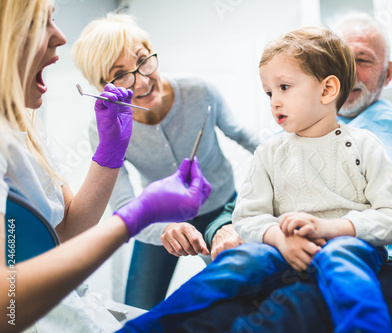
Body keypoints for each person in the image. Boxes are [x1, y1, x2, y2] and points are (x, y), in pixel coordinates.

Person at [120, 26, 392, 333]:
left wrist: (333, 229)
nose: (274, 101)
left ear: (327, 90)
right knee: (237, 263)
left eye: (284, 87)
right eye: (269, 93)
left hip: (348, 244)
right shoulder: (269, 152)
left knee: (340, 260)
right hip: (281, 248)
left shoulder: (366, 146)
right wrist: (279, 238)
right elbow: (247, 218)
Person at [201, 13, 392, 332]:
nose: (344, 71)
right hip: (293, 260)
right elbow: (237, 211)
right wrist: (222, 230)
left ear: (387, 74)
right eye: (338, 58)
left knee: (302, 305)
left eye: (361, 60)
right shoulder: (282, 139)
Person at [0, 1, 211, 332]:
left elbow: (67, 232)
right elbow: (6, 307)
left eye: (54, 19)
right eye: (39, 24)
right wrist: (137, 216)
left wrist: (110, 153)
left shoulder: (24, 127)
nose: (60, 37)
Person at [71, 13, 260, 310]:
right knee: (137, 307)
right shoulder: (104, 128)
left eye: (144, 60)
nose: (143, 81)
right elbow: (123, 205)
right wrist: (162, 230)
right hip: (159, 219)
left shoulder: (199, 89)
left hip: (222, 208)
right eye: (120, 74)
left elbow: (246, 137)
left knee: (245, 296)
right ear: (102, 86)